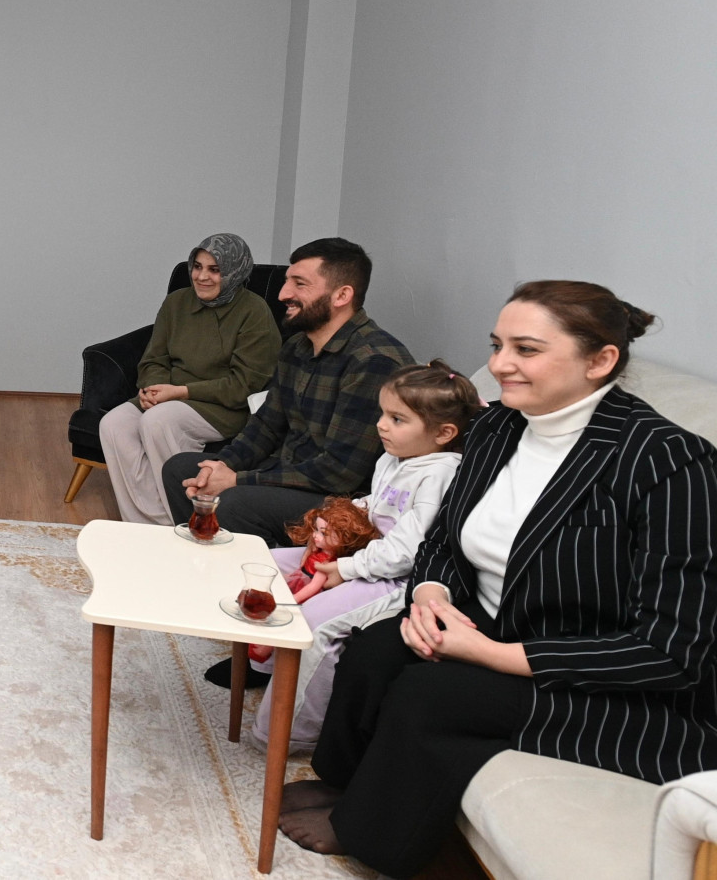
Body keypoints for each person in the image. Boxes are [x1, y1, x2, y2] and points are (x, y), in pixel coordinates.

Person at [279, 281, 717, 879]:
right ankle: (343, 783)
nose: (499, 364)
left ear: (600, 361)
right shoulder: (498, 429)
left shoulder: (669, 461)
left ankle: (372, 833)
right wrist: (430, 594)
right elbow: (443, 538)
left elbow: (671, 651)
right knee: (374, 651)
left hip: (604, 679)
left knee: (430, 694)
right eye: (497, 345)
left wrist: (488, 653)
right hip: (491, 618)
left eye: (526, 349)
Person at [163, 237, 413, 689]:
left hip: (344, 502)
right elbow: (266, 425)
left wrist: (237, 480)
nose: (282, 293)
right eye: (286, 282)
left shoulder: (373, 361)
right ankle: (222, 596)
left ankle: (263, 643)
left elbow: (340, 472)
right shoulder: (298, 346)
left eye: (299, 283)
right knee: (184, 469)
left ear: (342, 295)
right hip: (294, 476)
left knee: (235, 504)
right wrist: (220, 467)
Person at [247, 361, 479, 753]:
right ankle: (269, 667)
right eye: (383, 414)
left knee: (316, 623)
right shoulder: (394, 457)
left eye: (397, 419)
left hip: (395, 578)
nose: (382, 426)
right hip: (363, 554)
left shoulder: (439, 474)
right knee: (266, 564)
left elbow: (408, 549)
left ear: (443, 433)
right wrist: (335, 523)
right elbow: (376, 504)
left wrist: (346, 568)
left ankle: (291, 731)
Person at [97, 233, 279, 525]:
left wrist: (179, 392)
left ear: (235, 272)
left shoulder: (254, 312)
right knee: (113, 424)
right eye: (197, 266)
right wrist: (152, 388)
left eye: (214, 270)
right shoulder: (176, 302)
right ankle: (145, 525)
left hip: (222, 406)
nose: (202, 277)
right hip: (169, 395)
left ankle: (184, 519)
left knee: (158, 421)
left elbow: (243, 385)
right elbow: (154, 358)